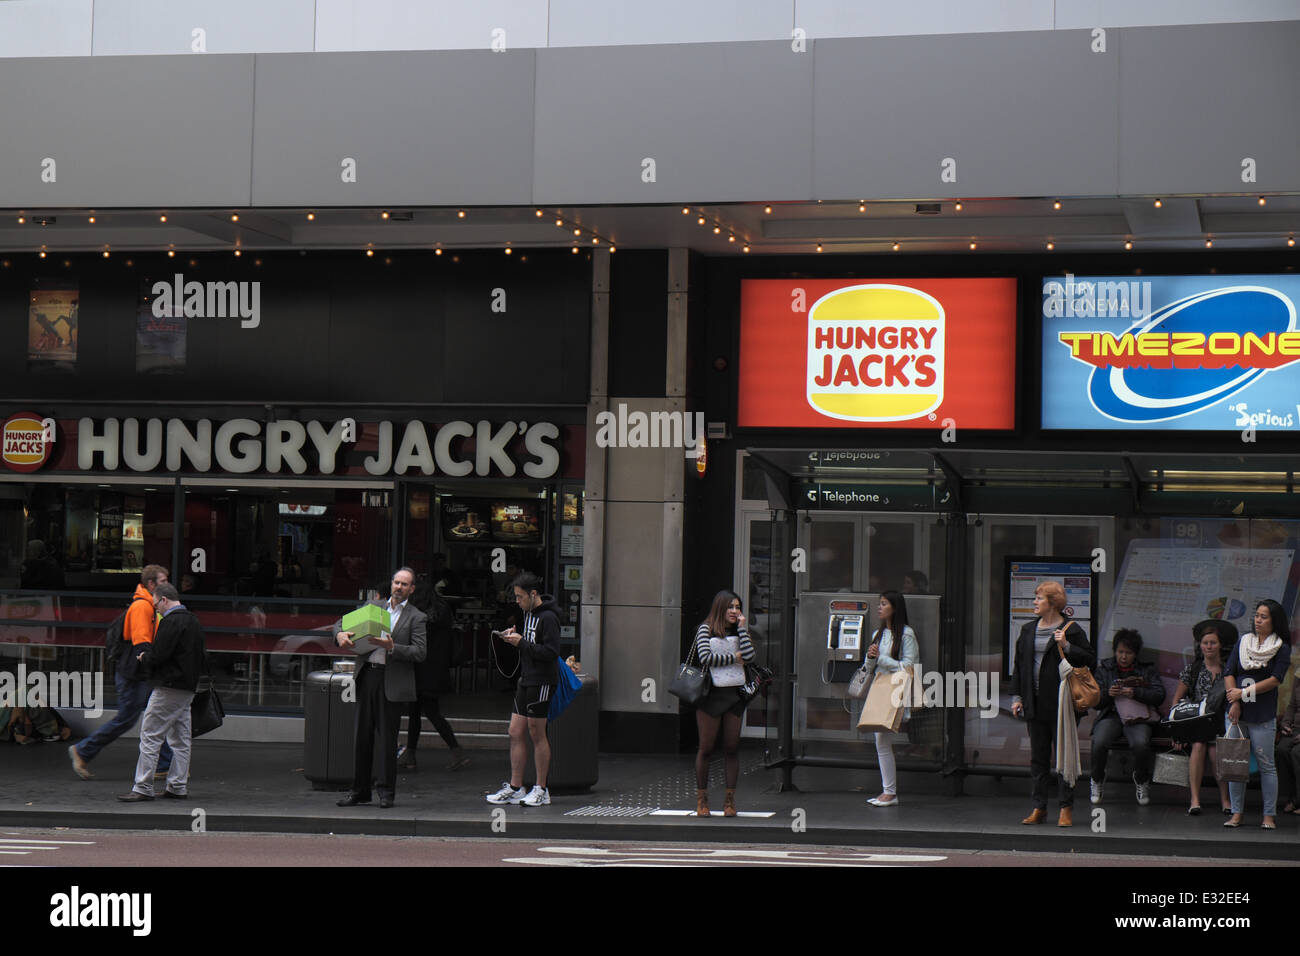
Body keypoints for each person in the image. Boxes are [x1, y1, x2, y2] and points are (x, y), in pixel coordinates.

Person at [69, 564, 173, 781]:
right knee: (130, 718)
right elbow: (141, 643)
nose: (168, 585)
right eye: (163, 581)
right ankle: (83, 750)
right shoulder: (142, 607)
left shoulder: (149, 605)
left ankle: (164, 764)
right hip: (134, 674)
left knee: (155, 715)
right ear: (151, 584)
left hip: (137, 672)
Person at [334, 567, 427, 809]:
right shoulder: (373, 608)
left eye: (405, 584)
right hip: (367, 678)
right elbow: (339, 623)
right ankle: (359, 791)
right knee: (361, 738)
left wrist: (392, 647)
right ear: (391, 584)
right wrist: (340, 635)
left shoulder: (416, 617)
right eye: (397, 582)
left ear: (412, 589)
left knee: (387, 741)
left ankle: (386, 793)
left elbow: (420, 652)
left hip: (392, 681)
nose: (399, 587)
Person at [1010, 580, 1095, 827]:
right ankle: (1039, 807)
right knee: (1038, 758)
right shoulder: (1027, 630)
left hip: (1061, 704)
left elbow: (1090, 659)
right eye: (1035, 598)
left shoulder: (1072, 629)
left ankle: (1065, 808)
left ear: (1052, 602)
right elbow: (1020, 666)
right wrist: (1017, 698)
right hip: (1033, 703)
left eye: (1039, 598)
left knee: (1064, 757)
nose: (1034, 602)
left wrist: (1067, 645)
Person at [117, 583, 205, 802]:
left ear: (164, 600)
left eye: (156, 604)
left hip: (168, 686)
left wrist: (144, 658)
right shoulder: (193, 620)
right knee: (181, 739)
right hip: (187, 687)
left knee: (150, 735)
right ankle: (177, 786)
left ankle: (143, 787)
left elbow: (159, 655)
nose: (156, 610)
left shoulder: (171, 622)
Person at [487, 572, 561, 808]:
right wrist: (515, 638)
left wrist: (522, 643)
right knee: (515, 731)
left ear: (533, 594)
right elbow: (529, 644)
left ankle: (542, 788)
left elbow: (551, 652)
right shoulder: (528, 613)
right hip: (526, 678)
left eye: (520, 597)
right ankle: (516, 787)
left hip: (542, 680)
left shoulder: (548, 618)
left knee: (536, 732)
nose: (517, 602)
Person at [1224, 599, 1292, 830]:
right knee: (1236, 764)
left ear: (1275, 621)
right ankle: (1236, 813)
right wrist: (1235, 700)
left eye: (1264, 616)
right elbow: (1229, 672)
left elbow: (1275, 680)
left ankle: (1269, 816)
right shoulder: (1244, 641)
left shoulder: (1281, 647)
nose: (1258, 620)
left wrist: (1243, 693)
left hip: (1262, 715)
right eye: (1257, 615)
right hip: (1236, 713)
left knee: (1266, 765)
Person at [688, 590, 755, 818]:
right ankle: (702, 799)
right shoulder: (705, 628)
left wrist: (743, 630)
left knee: (732, 748)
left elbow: (750, 656)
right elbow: (705, 658)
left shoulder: (739, 630)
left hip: (734, 695)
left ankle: (729, 801)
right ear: (720, 608)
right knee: (706, 748)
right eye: (731, 607)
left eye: (738, 607)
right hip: (711, 694)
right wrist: (733, 659)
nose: (735, 612)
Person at [398, 577, 469, 771]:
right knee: (424, 711)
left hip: (421, 669)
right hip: (436, 670)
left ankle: (454, 750)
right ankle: (411, 754)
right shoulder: (441, 609)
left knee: (425, 712)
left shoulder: (418, 614)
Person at [1089, 628, 1165, 806]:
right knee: (1099, 742)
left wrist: (1135, 692)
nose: (1123, 656)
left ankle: (1141, 779)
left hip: (1136, 717)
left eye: (1128, 653)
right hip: (1112, 715)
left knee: (1140, 744)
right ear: (1115, 651)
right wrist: (1108, 694)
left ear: (1135, 654)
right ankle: (1097, 779)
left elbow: (1159, 695)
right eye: (1120, 652)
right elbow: (1095, 701)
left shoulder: (1147, 669)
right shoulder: (1104, 668)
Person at [860, 590, 918, 807]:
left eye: (884, 604)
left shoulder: (906, 634)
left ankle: (890, 792)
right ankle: (888, 791)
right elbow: (870, 667)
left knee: (882, 741)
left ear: (894, 607)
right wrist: (870, 657)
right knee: (881, 740)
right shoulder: (879, 633)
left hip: (895, 691)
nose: (879, 607)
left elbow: (910, 667)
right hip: (882, 690)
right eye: (880, 603)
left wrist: (882, 658)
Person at [1169, 619, 1234, 815]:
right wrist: (1177, 733)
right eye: (1205, 643)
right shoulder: (1193, 669)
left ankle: (1225, 799)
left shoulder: (1228, 670)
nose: (1209, 646)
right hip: (1196, 724)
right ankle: (1195, 799)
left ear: (1220, 645)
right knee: (1198, 746)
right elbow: (1176, 702)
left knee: (1215, 753)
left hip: (1220, 723)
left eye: (1213, 642)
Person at [1277, 677, 1300, 815]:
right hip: (1296, 728)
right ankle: (1292, 798)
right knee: (1281, 750)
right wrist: (1285, 724)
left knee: (1297, 753)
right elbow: (1292, 705)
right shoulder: (1298, 677)